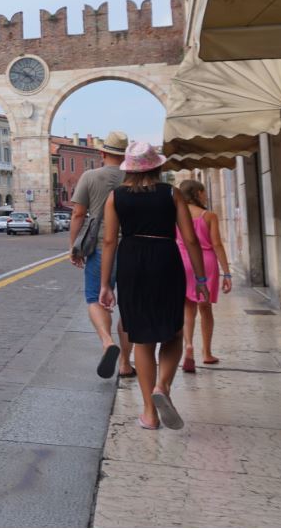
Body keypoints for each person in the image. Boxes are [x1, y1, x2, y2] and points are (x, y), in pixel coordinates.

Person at [99, 142, 208, 431]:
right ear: (157, 166)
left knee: (142, 338)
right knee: (173, 331)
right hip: (165, 259)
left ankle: (149, 412)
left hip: (132, 261)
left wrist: (105, 284)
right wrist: (201, 279)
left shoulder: (115, 197)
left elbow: (109, 241)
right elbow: (190, 239)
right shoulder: (171, 194)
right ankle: (162, 387)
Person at [68, 129, 135, 379]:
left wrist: (74, 247)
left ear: (102, 152)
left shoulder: (90, 176)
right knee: (127, 306)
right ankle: (126, 364)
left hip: (98, 246)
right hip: (130, 248)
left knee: (95, 299)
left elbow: (77, 214)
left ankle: (107, 342)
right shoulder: (134, 177)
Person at [176, 180, 233, 372]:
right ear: (198, 193)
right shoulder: (208, 216)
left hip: (183, 261)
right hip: (206, 263)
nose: (206, 195)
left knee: (187, 308)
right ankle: (207, 353)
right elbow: (217, 244)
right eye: (204, 192)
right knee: (205, 309)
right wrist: (227, 272)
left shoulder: (176, 215)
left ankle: (188, 346)